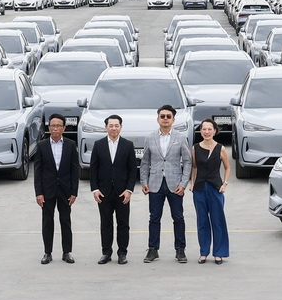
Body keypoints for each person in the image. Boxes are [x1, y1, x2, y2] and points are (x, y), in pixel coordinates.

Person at [140, 104, 192, 263]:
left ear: (173, 119)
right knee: (154, 218)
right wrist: (144, 181)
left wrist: (183, 183)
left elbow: (187, 161)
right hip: (155, 183)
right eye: (162, 116)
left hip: (175, 184)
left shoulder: (180, 137)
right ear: (157, 119)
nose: (165, 119)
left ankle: (180, 250)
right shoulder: (150, 137)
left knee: (178, 217)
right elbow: (145, 161)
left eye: (168, 116)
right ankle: (153, 249)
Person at [89, 114, 139, 265]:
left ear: (121, 127)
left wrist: (129, 190)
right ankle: (106, 252)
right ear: (106, 127)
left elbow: (132, 169)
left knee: (123, 223)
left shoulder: (128, 145)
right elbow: (93, 169)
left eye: (116, 125)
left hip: (122, 192)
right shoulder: (98, 145)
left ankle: (122, 253)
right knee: (106, 223)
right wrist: (95, 189)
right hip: (103, 192)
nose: (114, 128)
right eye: (111, 126)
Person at [34, 114, 79, 264]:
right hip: (47, 191)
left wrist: (74, 192)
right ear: (49, 127)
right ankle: (47, 252)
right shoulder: (42, 146)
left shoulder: (71, 145)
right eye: (53, 125)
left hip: (65, 190)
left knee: (65, 221)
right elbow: (38, 171)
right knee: (47, 222)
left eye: (58, 126)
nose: (55, 128)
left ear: (64, 128)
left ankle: (67, 252)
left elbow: (75, 170)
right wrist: (39, 193)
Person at [189, 118, 231, 264]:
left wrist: (224, 183)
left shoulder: (221, 148)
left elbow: (227, 167)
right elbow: (194, 167)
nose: (206, 132)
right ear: (200, 131)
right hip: (199, 189)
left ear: (214, 131)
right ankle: (204, 252)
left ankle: (219, 253)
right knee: (202, 221)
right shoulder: (195, 148)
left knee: (217, 221)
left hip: (215, 188)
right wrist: (192, 183)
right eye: (204, 129)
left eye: (209, 129)